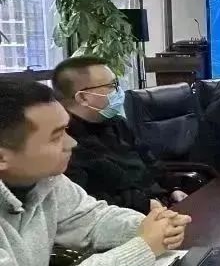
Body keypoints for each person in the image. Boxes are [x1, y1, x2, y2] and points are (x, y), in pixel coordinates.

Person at [0, 80, 191, 266]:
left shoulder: (47, 180)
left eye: (67, 130)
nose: (72, 143)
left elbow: (92, 220)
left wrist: (152, 226)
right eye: (56, 136)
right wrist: (141, 248)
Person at [51, 57, 187, 213]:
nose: (118, 91)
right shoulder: (64, 142)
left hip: (161, 207)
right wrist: (143, 204)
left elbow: (151, 163)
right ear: (83, 97)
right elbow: (85, 203)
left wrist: (173, 189)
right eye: (111, 86)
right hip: (126, 217)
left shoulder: (117, 123)